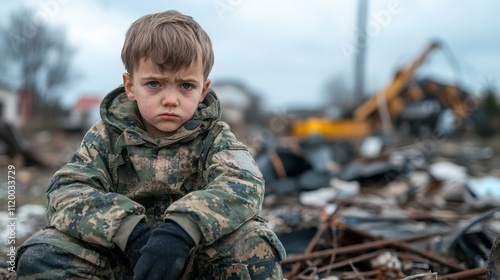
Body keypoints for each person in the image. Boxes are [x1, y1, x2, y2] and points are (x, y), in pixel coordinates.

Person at [15, 10, 286, 280]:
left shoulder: (215, 137)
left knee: (256, 244)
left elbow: (244, 184)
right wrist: (129, 231)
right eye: (154, 83)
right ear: (130, 86)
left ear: (203, 90)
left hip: (192, 259)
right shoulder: (106, 136)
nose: (170, 99)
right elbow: (68, 189)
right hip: (120, 258)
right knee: (42, 253)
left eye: (186, 86)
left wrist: (183, 229)